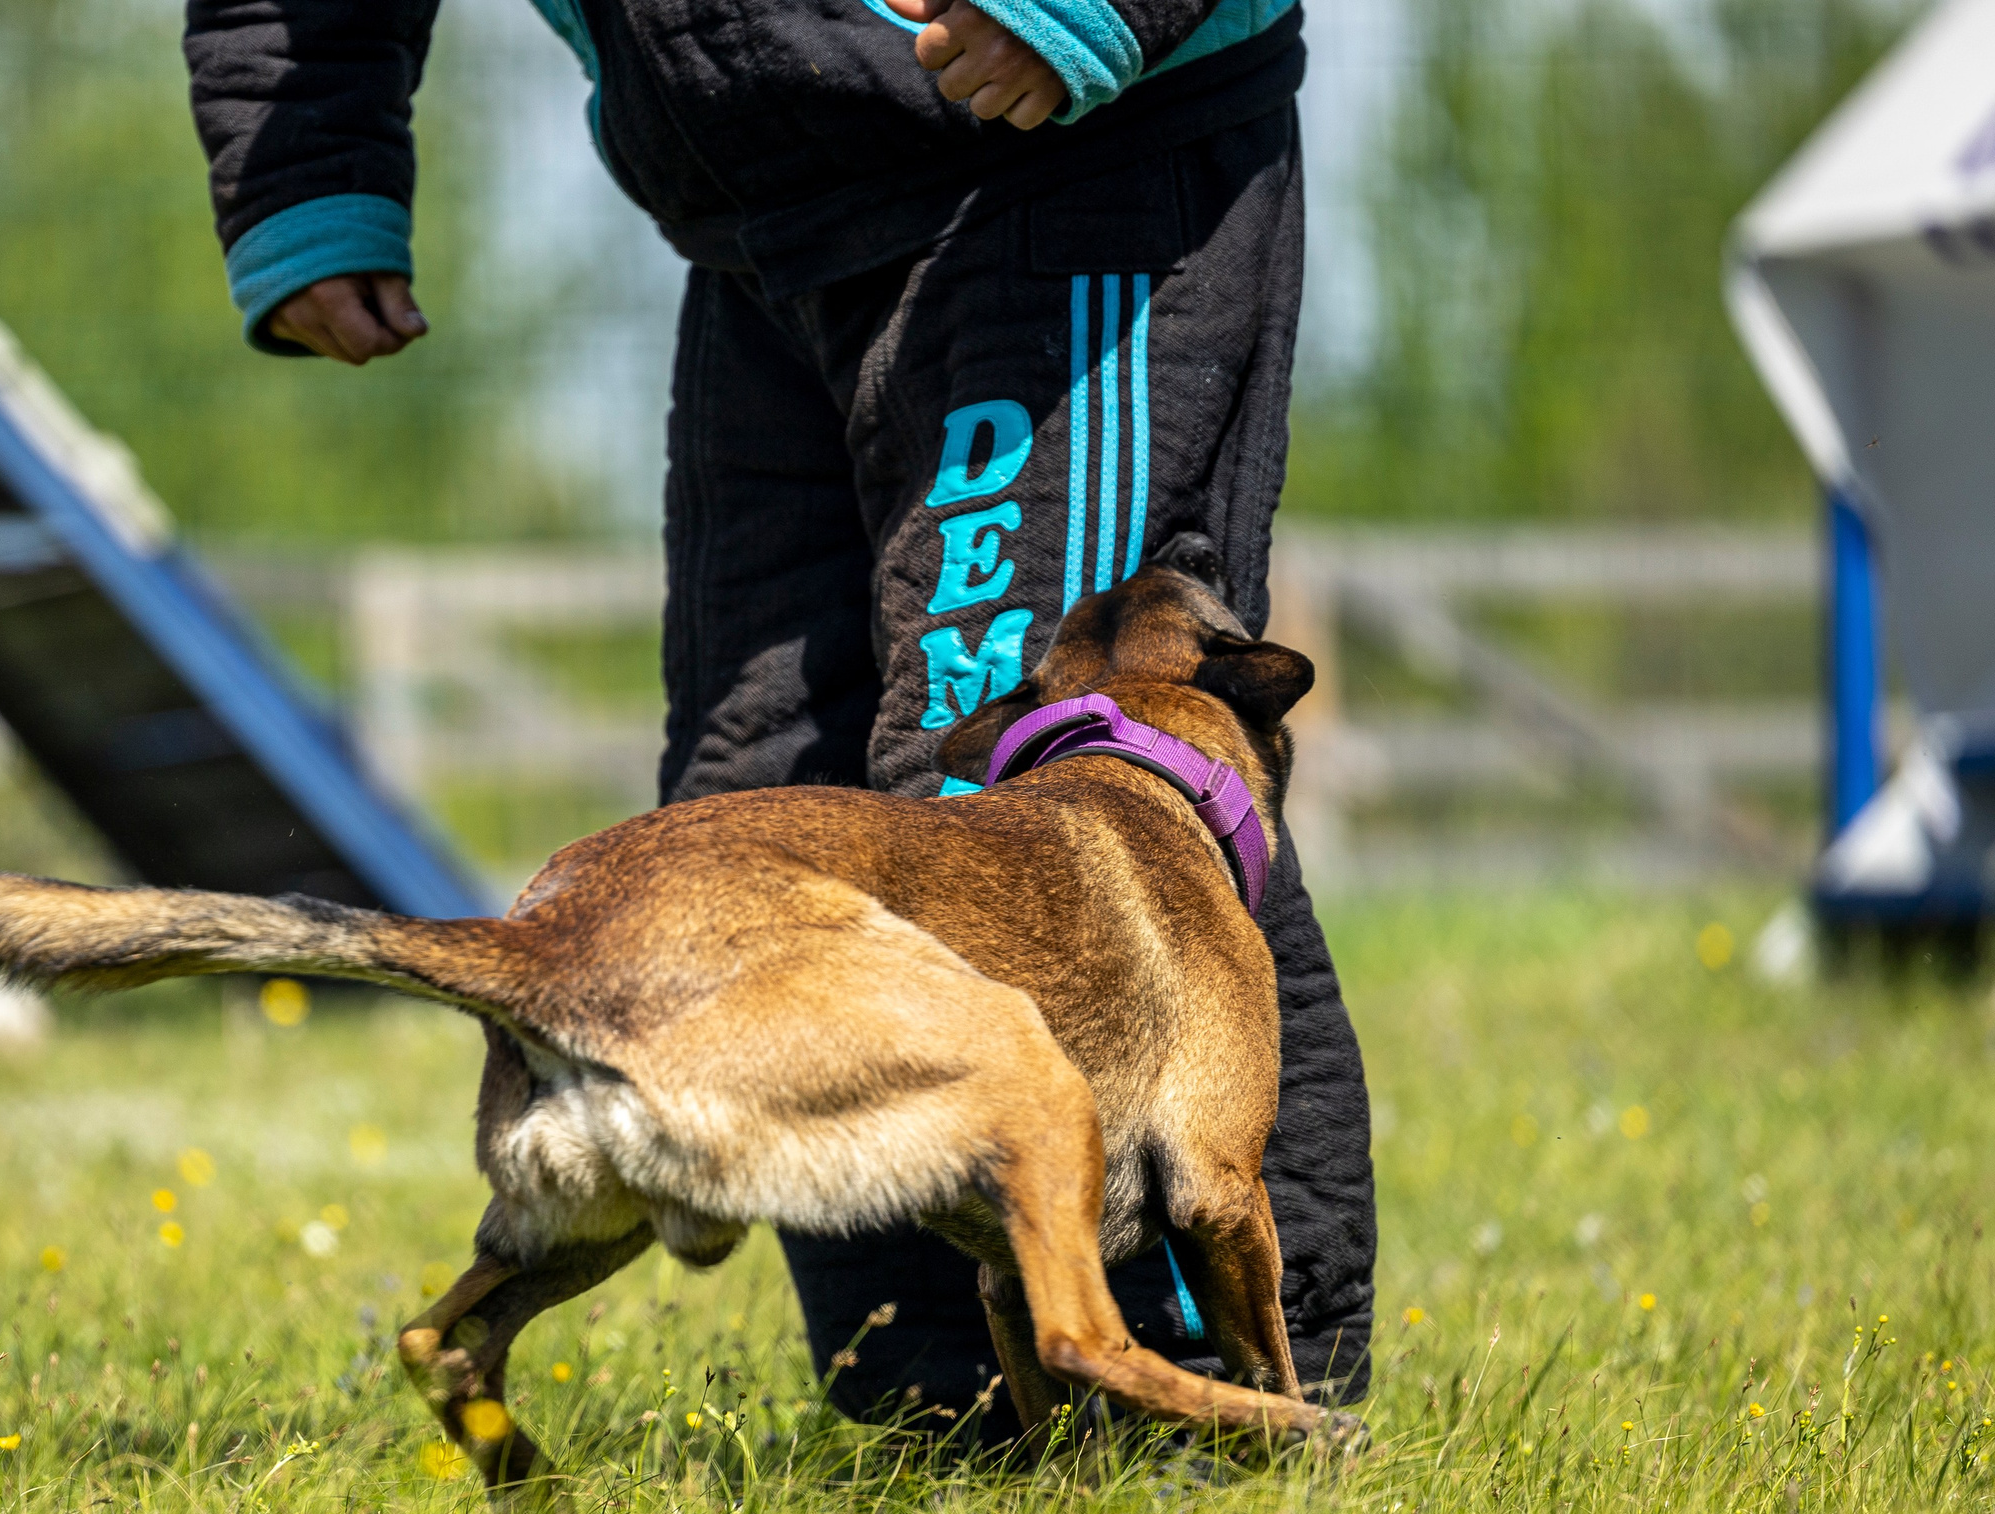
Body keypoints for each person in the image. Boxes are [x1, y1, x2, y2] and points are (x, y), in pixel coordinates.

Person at [185, 0, 1376, 1441]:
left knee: (1060, 798)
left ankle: (1229, 1426)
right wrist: (307, 161)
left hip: (1056, 144)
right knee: (751, 805)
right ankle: (941, 1432)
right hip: (759, 213)